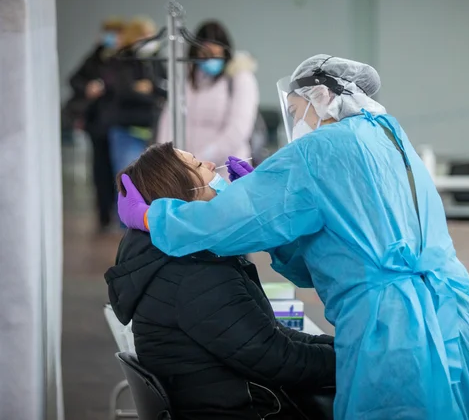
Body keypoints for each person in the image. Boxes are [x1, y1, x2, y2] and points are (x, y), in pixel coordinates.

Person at [117, 55, 469, 420]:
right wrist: (261, 214)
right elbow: (323, 254)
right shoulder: (387, 136)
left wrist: (153, 216)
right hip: (453, 312)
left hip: (397, 324)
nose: (294, 124)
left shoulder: (320, 151)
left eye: (296, 113)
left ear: (322, 98)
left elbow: (219, 222)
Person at [105, 142, 335, 420]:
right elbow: (275, 358)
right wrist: (357, 359)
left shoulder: (176, 258)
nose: (213, 166)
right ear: (178, 190)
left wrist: (342, 347)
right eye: (199, 165)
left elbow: (270, 337)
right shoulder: (193, 273)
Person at [157, 20, 259, 177]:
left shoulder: (240, 78)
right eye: (204, 54)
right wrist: (168, 159)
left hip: (226, 170)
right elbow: (169, 120)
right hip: (188, 172)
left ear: (225, 53)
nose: (210, 59)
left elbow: (238, 130)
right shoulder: (186, 79)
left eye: (215, 54)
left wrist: (199, 160)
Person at [67, 17, 126, 232]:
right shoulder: (94, 57)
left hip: (119, 122)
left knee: (121, 169)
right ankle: (103, 215)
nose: (111, 38)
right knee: (100, 169)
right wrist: (88, 88)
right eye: (108, 33)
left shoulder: (126, 57)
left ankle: (121, 214)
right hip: (98, 124)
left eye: (115, 33)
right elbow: (74, 80)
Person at [106, 16, 167, 176]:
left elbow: (165, 88)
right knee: (129, 181)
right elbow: (125, 92)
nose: (150, 39)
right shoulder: (121, 60)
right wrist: (155, 98)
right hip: (127, 129)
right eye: (145, 35)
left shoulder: (155, 59)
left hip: (152, 130)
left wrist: (151, 88)